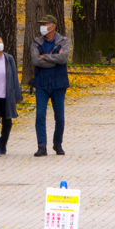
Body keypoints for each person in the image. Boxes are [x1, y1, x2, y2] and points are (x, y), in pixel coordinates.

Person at [30, 15, 70, 157]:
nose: (42, 26)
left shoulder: (63, 41)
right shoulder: (36, 42)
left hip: (58, 84)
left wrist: (44, 56)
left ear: (52, 26)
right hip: (41, 84)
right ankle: (42, 146)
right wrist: (54, 58)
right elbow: (36, 60)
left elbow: (64, 58)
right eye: (41, 24)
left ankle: (57, 144)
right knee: (40, 115)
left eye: (44, 24)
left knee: (59, 117)